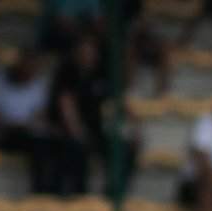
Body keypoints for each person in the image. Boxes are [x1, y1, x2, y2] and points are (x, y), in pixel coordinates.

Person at [39, 34, 139, 196]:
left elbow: (119, 100)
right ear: (77, 54)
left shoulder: (99, 74)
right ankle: (79, 194)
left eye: (92, 52)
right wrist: (78, 132)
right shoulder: (67, 73)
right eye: (85, 52)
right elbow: (67, 107)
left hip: (94, 130)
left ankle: (114, 191)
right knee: (77, 149)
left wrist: (135, 126)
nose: (90, 57)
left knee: (125, 149)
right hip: (66, 132)